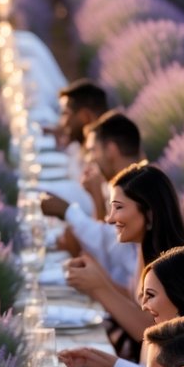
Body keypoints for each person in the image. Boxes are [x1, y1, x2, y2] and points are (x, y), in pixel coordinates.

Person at [65, 162, 184, 344]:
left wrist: (99, 288)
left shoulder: (170, 267)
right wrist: (95, 278)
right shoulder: (144, 247)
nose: (110, 219)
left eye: (119, 208)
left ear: (149, 215)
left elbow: (152, 332)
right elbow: (137, 302)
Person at [41, 110, 141, 291]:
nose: (90, 158)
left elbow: (110, 246)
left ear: (111, 150)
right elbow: (106, 239)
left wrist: (67, 211)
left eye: (93, 150)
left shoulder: (138, 188)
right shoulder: (118, 183)